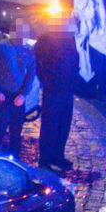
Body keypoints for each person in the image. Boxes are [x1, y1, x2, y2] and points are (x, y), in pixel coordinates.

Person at [0, 20, 37, 154]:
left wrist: (23, 95)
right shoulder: (1, 47)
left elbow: (31, 73)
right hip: (3, 93)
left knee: (16, 129)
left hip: (18, 95)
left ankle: (14, 156)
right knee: (0, 126)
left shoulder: (28, 50)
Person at [34, 17, 78, 171]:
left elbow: (74, 60)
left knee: (63, 125)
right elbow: (38, 62)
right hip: (53, 90)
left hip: (67, 90)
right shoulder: (46, 39)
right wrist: (46, 79)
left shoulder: (69, 39)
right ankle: (44, 160)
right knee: (49, 126)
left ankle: (58, 156)